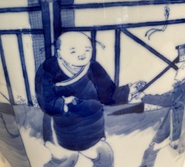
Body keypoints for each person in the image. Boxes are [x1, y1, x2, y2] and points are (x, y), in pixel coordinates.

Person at [35, 31, 136, 167]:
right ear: (59, 53)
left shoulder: (93, 67)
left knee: (105, 156)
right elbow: (45, 101)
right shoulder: (48, 70)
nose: (82, 54)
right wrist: (65, 102)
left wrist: (128, 92)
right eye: (73, 51)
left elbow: (108, 95)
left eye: (87, 50)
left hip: (92, 125)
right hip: (61, 125)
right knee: (66, 158)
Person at [139, 62, 185, 167]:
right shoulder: (181, 88)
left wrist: (144, 97)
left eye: (182, 68)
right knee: (150, 151)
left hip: (175, 132)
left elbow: (165, 99)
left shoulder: (182, 89)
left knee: (151, 152)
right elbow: (166, 97)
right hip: (172, 129)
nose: (178, 69)